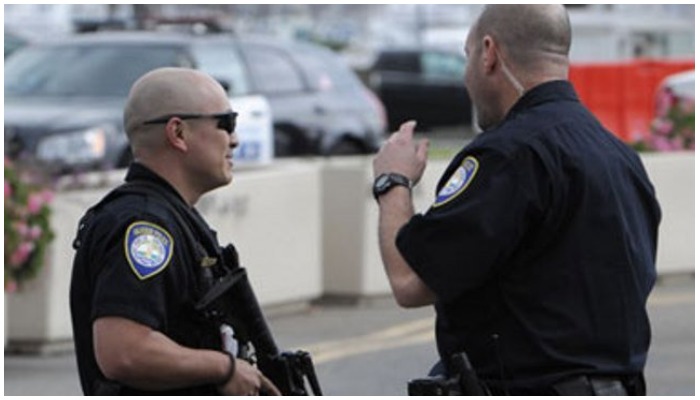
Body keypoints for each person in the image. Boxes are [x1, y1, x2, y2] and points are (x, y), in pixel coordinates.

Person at [372, 5, 661, 396]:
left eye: (467, 54)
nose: (466, 75)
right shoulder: (620, 158)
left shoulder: (509, 156)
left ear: (489, 53)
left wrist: (393, 181)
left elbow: (410, 280)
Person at [69, 67, 281, 396]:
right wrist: (224, 368)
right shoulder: (145, 228)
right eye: (226, 123)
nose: (235, 139)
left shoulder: (171, 218)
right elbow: (123, 351)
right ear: (178, 133)